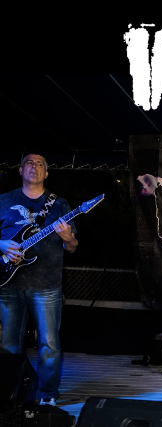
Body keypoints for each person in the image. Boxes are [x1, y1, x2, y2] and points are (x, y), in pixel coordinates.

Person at [0, 153, 78, 407]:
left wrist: (68, 238)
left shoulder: (60, 205)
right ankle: (10, 395)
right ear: (20, 170)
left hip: (47, 285)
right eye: (29, 163)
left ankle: (47, 395)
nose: (34, 167)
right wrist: (2, 245)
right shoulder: (4, 200)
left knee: (49, 344)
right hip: (9, 284)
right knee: (9, 344)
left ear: (46, 173)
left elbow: (72, 247)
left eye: (40, 164)